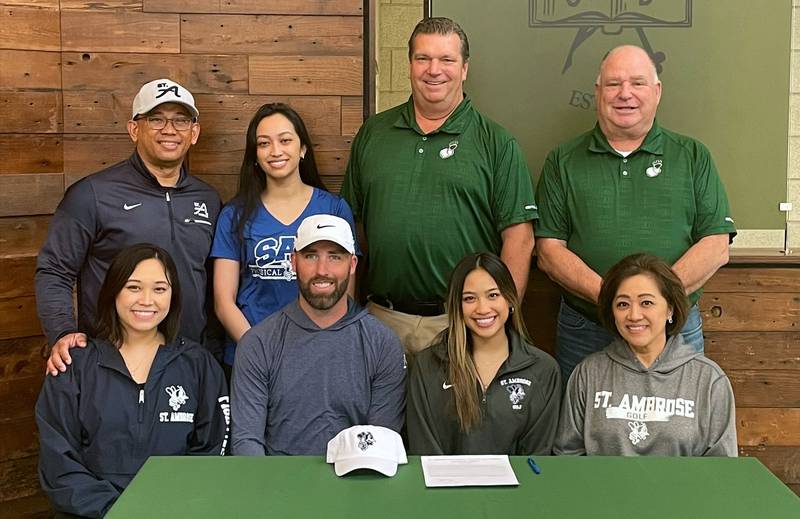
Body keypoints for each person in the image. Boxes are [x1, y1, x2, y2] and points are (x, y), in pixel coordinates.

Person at [535, 45, 736, 381]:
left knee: (680, 429)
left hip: (675, 328)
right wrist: (615, 301)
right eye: (613, 84)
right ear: (598, 92)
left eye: (638, 83)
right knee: (581, 430)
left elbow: (716, 245)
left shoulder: (692, 156)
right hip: (587, 328)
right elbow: (549, 251)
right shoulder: (563, 160)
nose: (625, 94)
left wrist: (652, 304)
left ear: (656, 92)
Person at [342, 17, 537, 354]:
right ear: (409, 65)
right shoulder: (373, 134)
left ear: (464, 69)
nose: (434, 70)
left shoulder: (496, 143)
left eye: (446, 60)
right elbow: (348, 230)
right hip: (381, 320)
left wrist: (497, 320)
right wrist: (345, 316)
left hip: (462, 322)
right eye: (423, 58)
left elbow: (519, 239)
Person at [36, 78, 222, 376]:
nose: (169, 130)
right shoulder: (92, 195)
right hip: (110, 364)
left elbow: (212, 283)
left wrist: (212, 353)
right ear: (134, 129)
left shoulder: (208, 200)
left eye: (181, 120)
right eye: (156, 119)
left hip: (188, 361)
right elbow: (55, 270)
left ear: (195, 132)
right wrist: (62, 332)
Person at [35, 244, 229, 518]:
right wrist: (118, 511)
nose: (147, 300)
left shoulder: (199, 365)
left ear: (173, 296)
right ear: (114, 291)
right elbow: (58, 463)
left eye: (160, 289)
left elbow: (212, 452)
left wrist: (167, 508)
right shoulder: (74, 365)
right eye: (133, 287)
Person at [231, 214, 405, 455]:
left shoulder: (382, 344)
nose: (322, 270)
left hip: (355, 483)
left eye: (335, 257)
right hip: (278, 485)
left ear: (352, 264)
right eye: (311, 256)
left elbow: (380, 443)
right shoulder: (258, 343)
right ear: (293, 262)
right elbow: (246, 442)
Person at [211, 103, 357, 375]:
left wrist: (321, 346)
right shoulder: (234, 215)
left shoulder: (334, 209)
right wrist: (260, 352)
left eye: (285, 140)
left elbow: (345, 294)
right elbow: (223, 301)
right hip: (252, 355)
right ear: (254, 154)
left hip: (319, 354)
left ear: (302, 149)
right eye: (264, 143)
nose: (275, 151)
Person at [554, 253, 737, 457]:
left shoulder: (709, 379)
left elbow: (722, 467)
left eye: (646, 303)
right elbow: (567, 454)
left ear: (670, 309)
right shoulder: (588, 374)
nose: (634, 315)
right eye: (623, 304)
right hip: (604, 489)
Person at [407, 252, 561, 455]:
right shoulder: (427, 364)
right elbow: (423, 449)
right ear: (456, 306)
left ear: (510, 299)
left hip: (519, 486)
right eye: (469, 298)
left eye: (493, 295)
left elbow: (538, 457)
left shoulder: (543, 370)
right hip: (442, 485)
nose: (483, 308)